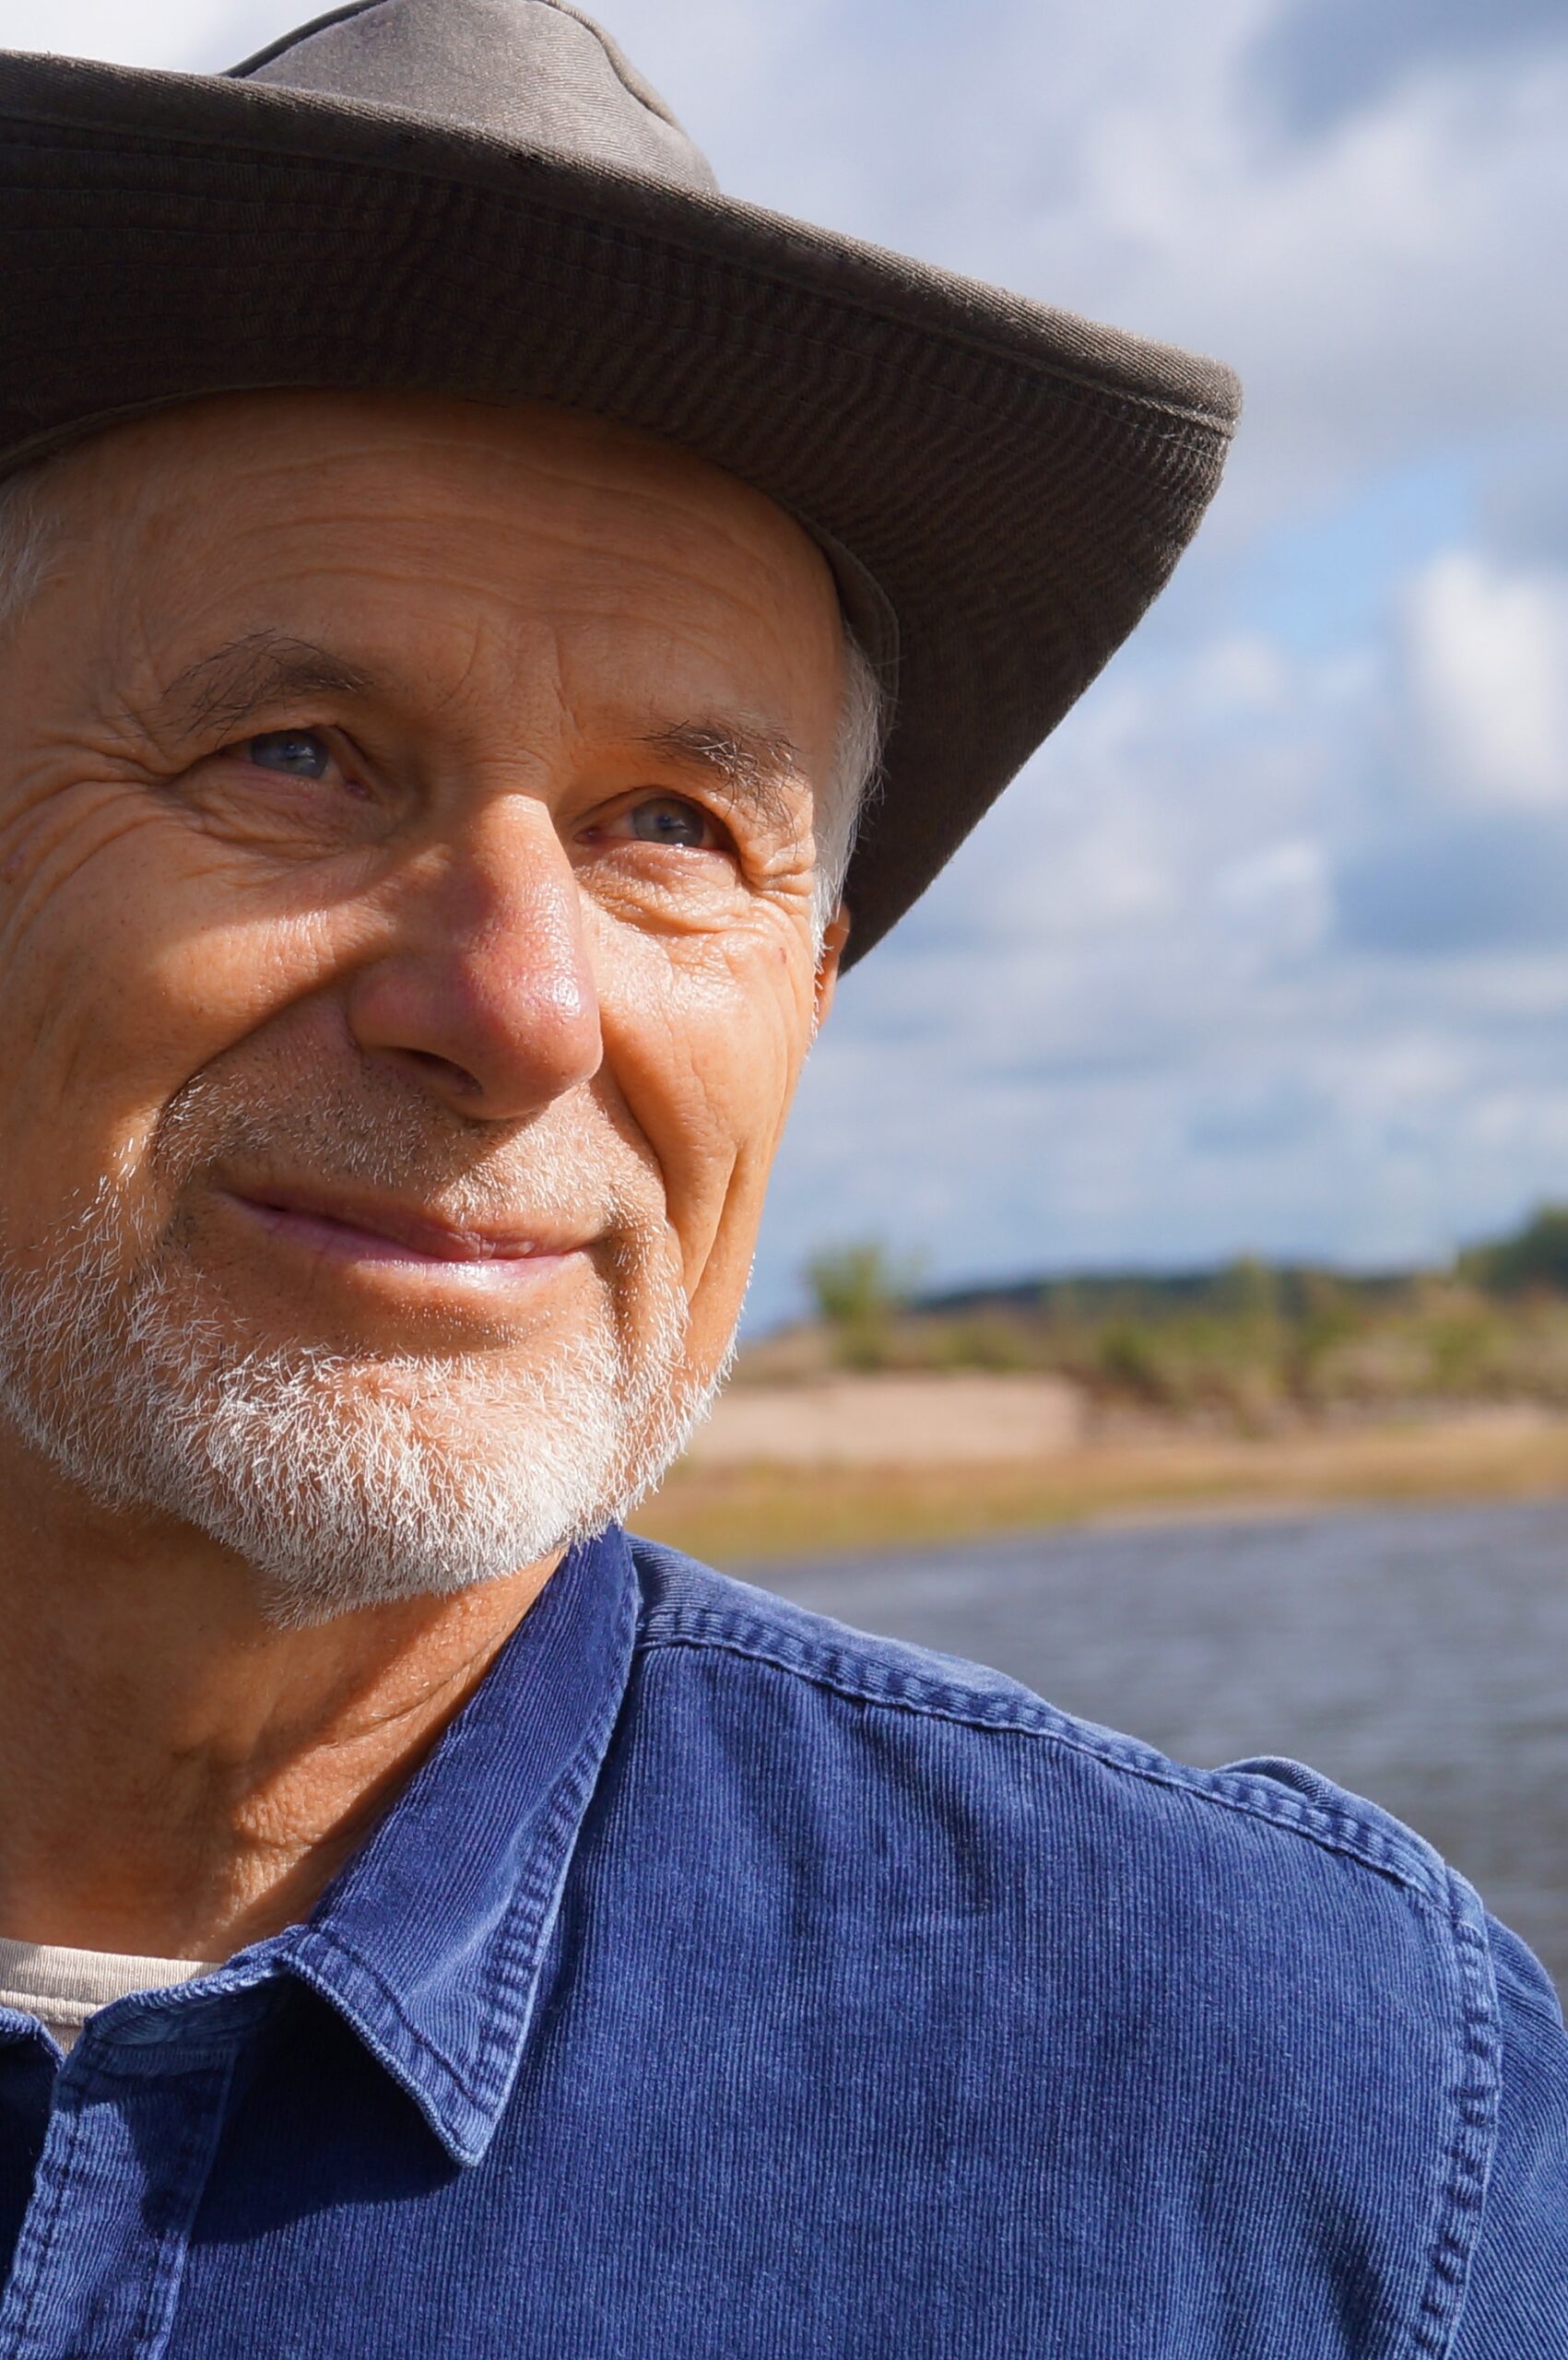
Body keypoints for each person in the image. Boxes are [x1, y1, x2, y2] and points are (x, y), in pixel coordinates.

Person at [0, 3, 1560, 2353]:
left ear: (808, 990)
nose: (518, 1001)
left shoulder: (1309, 2116)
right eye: (296, 752)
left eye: (668, 831)